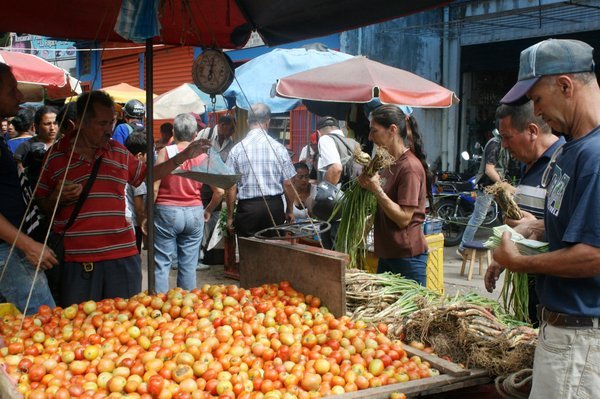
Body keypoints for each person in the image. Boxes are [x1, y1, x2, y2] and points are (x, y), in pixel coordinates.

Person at [494, 38, 600, 398]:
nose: (536, 113)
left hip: (580, 337)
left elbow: (594, 255)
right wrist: (534, 227)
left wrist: (518, 261)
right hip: (562, 331)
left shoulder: (596, 157)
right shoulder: (574, 149)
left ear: (566, 85)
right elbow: (575, 224)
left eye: (537, 99)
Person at [36, 91, 210, 306]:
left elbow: (148, 175)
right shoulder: (56, 156)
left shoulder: (118, 151)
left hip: (122, 255)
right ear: (80, 122)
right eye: (102, 123)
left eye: (112, 122)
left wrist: (181, 157)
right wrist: (56, 197)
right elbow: (41, 204)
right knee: (78, 327)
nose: (109, 129)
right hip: (79, 260)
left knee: (125, 325)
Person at [484, 101, 565, 327]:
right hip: (528, 282)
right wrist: (503, 259)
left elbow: (573, 229)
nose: (504, 145)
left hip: (555, 294)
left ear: (532, 131)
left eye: (508, 137)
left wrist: (535, 226)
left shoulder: (566, 161)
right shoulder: (527, 164)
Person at [0, 63, 57, 314]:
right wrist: (27, 245)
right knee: (45, 321)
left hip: (12, 246)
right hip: (8, 249)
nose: (20, 97)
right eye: (12, 91)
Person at [357, 105, 431, 285]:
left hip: (407, 258)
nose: (370, 137)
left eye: (374, 131)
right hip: (387, 254)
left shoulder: (409, 168)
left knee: (411, 313)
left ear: (392, 130)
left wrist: (376, 189)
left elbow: (404, 218)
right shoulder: (388, 163)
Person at [153, 113, 224, 293]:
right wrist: (207, 211)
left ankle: (157, 310)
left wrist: (146, 214)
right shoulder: (202, 157)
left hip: (166, 212)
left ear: (174, 133)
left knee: (162, 264)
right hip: (194, 212)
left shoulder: (165, 152)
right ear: (194, 136)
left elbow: (154, 187)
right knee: (188, 265)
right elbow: (220, 191)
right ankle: (187, 308)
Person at [226, 103, 296, 238]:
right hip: (274, 207)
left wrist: (230, 217)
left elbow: (230, 186)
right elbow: (288, 183)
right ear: (268, 122)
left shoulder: (236, 150)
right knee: (274, 251)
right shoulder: (279, 148)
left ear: (247, 123)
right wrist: (290, 209)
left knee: (249, 253)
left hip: (248, 210)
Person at [457, 127, 509, 257]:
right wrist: (504, 185)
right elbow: (489, 170)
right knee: (478, 217)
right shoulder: (495, 144)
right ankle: (463, 247)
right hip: (487, 186)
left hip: (497, 187)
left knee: (507, 215)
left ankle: (505, 247)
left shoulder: (503, 144)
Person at [195, 115, 236, 269]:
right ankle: (197, 255)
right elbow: (196, 153)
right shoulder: (206, 134)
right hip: (203, 181)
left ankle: (205, 252)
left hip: (218, 184)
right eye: (230, 128)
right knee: (201, 219)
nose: (231, 132)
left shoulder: (230, 143)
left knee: (213, 219)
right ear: (221, 125)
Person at [314, 116, 359, 249]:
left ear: (318, 133)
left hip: (334, 212)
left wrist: (321, 195)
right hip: (351, 211)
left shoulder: (325, 139)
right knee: (346, 255)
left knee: (333, 258)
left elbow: (336, 168)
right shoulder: (353, 143)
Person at [14, 106, 58, 177]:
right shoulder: (25, 146)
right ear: (36, 126)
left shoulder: (63, 144)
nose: (52, 128)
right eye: (47, 124)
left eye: (55, 123)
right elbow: (19, 171)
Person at [124, 132, 148, 253]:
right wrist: (145, 234)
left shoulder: (123, 167)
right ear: (139, 155)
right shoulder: (138, 176)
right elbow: (139, 209)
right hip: (134, 224)